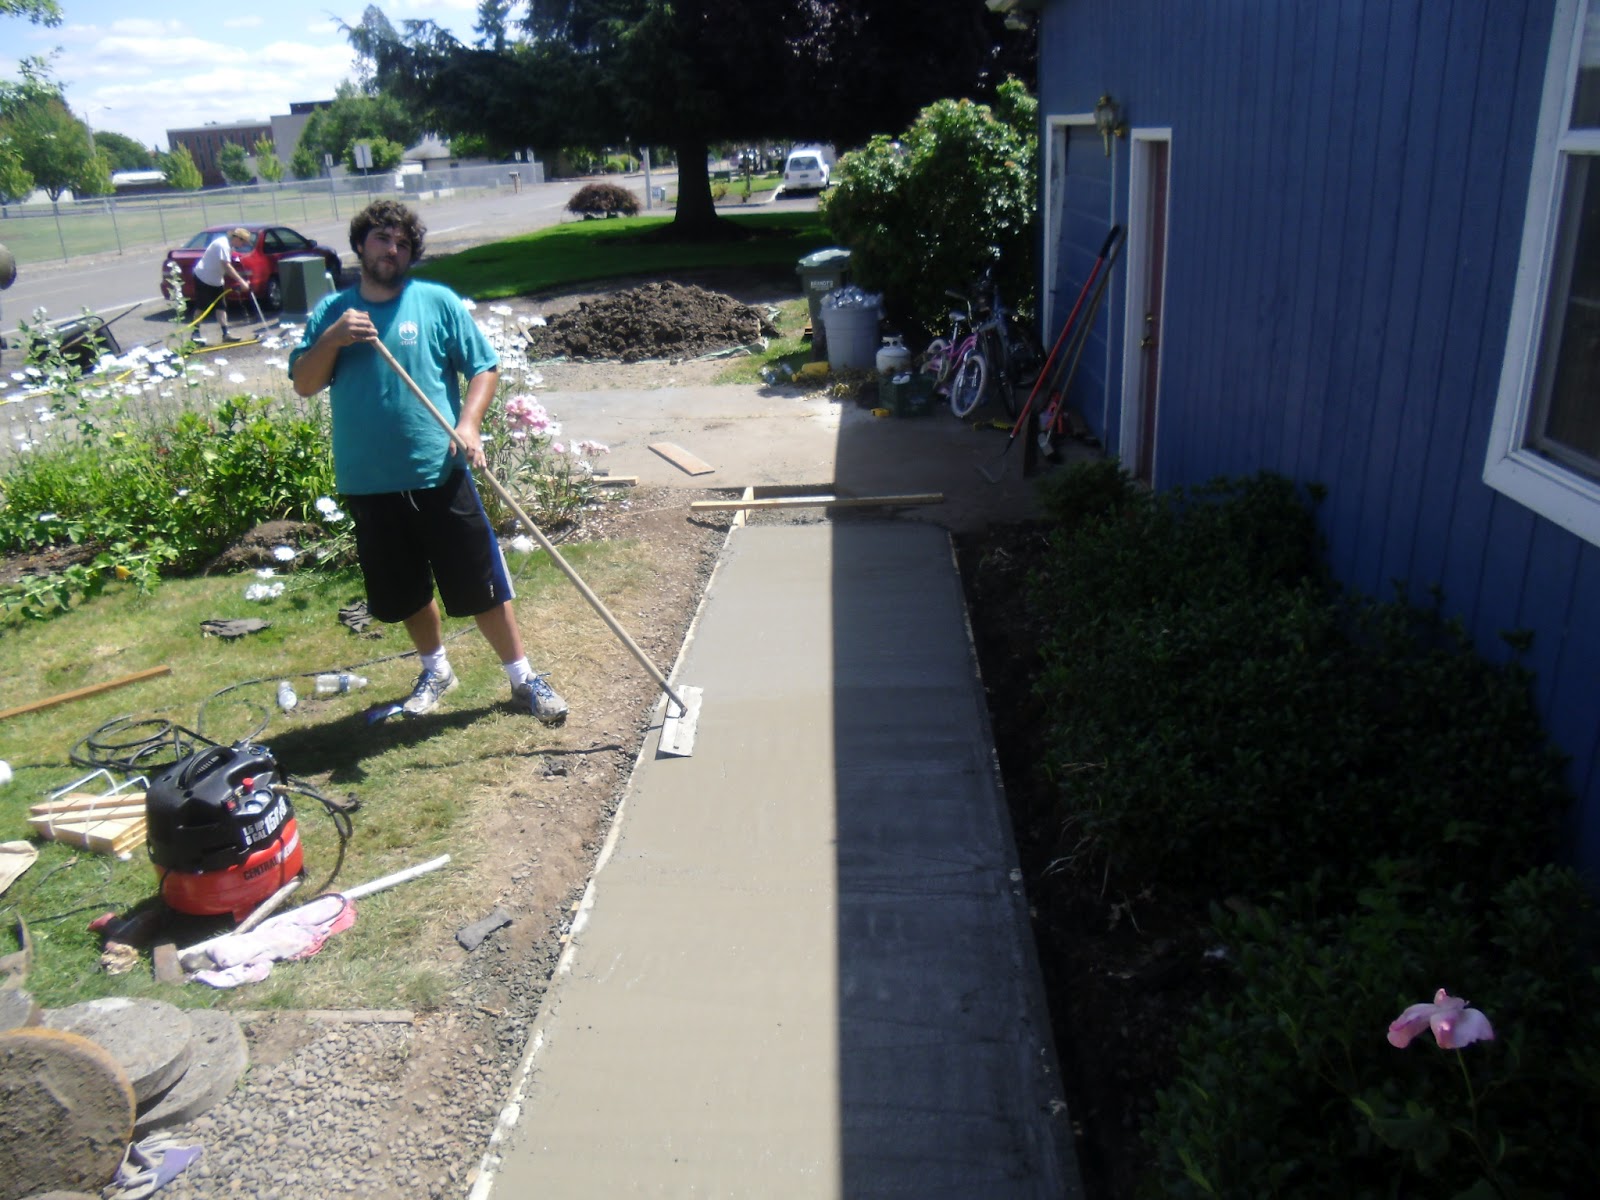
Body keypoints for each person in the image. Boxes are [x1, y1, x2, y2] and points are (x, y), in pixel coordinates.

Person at [287, 199, 569, 725]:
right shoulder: (334, 313)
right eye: (381, 239)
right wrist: (333, 338)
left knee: (480, 583)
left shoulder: (436, 302)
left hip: (438, 471)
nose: (391, 250)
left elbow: (483, 366)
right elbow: (305, 383)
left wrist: (469, 424)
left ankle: (522, 679)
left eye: (401, 243)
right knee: (405, 590)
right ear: (360, 245)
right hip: (369, 480)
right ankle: (436, 670)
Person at [191, 227, 251, 343]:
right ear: (237, 238)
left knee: (221, 306)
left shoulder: (228, 246)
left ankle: (226, 334)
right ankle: (195, 334)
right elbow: (227, 266)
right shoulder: (222, 245)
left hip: (216, 280)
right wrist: (241, 281)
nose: (243, 245)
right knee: (202, 306)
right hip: (203, 277)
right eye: (243, 242)